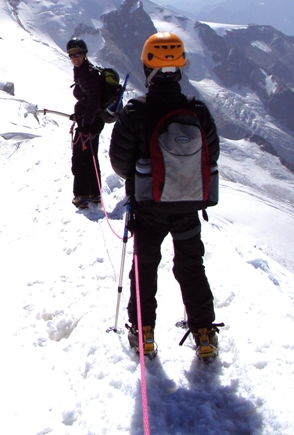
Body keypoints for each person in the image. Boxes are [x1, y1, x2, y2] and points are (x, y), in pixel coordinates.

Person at [108, 32, 221, 360]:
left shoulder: (135, 112)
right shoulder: (196, 109)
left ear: (147, 67)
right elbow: (210, 155)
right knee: (190, 264)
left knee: (145, 265)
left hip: (149, 207)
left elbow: (119, 163)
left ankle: (143, 333)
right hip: (188, 204)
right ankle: (203, 333)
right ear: (180, 68)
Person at [66, 38, 104, 210]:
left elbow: (95, 100)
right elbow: (89, 100)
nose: (74, 57)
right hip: (91, 120)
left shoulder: (86, 73)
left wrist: (85, 124)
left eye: (78, 53)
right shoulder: (83, 70)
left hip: (90, 122)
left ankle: (82, 196)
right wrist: (79, 114)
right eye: (71, 54)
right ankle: (94, 194)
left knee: (80, 159)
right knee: (90, 157)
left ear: (84, 53)